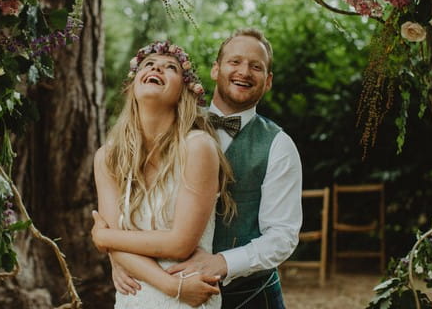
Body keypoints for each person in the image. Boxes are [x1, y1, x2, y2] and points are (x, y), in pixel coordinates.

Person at [110, 28, 303, 308]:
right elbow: (132, 201)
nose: (244, 72)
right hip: (170, 293)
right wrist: (119, 257)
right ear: (216, 70)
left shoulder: (279, 145)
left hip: (249, 295)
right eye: (234, 62)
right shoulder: (171, 127)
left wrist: (223, 262)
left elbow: (283, 236)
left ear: (268, 81)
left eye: (256, 67)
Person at [91, 40, 236, 308]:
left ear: (184, 90)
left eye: (170, 67)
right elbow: (118, 249)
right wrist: (172, 286)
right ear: (133, 85)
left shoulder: (197, 147)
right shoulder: (107, 157)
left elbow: (180, 243)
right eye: (149, 64)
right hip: (134, 297)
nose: (157, 67)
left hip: (190, 298)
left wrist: (104, 238)